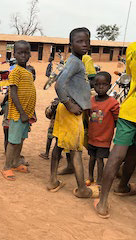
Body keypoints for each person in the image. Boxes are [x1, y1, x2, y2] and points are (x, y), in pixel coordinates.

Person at [47, 28, 98, 198]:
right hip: (71, 112)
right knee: (76, 150)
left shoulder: (77, 61)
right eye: (80, 41)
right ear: (71, 44)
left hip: (69, 110)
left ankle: (53, 181)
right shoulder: (75, 62)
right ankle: (82, 189)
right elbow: (58, 84)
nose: (85, 44)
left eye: (87, 41)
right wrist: (69, 104)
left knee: (59, 145)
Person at [94, 42, 136, 219]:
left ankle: (103, 202)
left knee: (117, 154)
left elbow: (130, 74)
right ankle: (122, 186)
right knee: (133, 153)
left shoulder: (132, 47)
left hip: (130, 109)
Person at [1, 40, 36, 181]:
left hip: (26, 115)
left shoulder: (27, 71)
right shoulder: (15, 72)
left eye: (26, 52)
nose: (23, 55)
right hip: (18, 115)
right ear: (14, 54)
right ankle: (6, 167)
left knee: (20, 140)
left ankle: (15, 162)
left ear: (30, 54)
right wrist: (22, 112)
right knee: (13, 141)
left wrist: (30, 112)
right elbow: (13, 94)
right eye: (20, 52)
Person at [86, 72, 119, 186]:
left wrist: (108, 129)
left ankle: (99, 180)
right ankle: (90, 177)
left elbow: (116, 119)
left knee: (100, 160)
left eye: (104, 84)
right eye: (97, 84)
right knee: (92, 158)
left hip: (104, 139)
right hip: (92, 137)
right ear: (93, 85)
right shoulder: (91, 101)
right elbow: (87, 115)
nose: (100, 87)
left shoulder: (113, 103)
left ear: (109, 86)